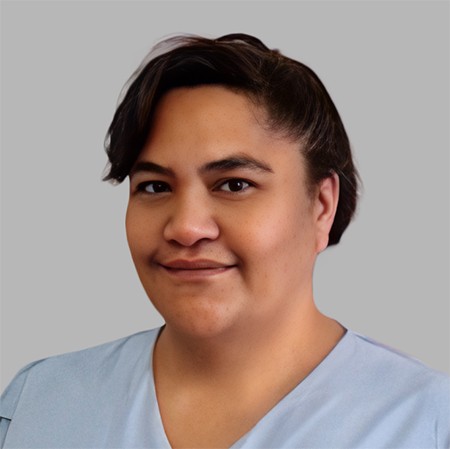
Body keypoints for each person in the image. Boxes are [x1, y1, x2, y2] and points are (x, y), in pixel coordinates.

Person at [0, 33, 448, 449]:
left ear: (321, 205)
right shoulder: (37, 405)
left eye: (234, 184)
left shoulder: (424, 422)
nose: (186, 227)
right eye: (155, 186)